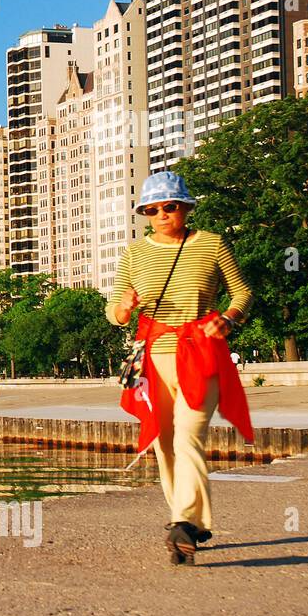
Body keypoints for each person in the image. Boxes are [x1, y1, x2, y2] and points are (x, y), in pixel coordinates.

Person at [108, 171, 254, 566]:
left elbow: (242, 292)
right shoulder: (136, 254)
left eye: (169, 206)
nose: (161, 215)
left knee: (189, 437)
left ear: (186, 207)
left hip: (201, 352)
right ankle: (187, 521)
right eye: (151, 209)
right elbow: (115, 308)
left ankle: (185, 523)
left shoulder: (210, 244)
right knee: (163, 441)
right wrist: (123, 309)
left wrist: (230, 317)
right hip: (154, 358)